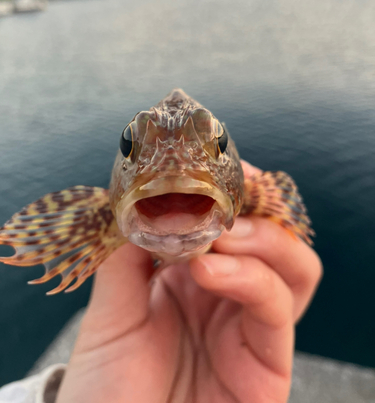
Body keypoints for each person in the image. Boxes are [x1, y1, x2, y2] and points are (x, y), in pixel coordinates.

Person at [0, 162, 322, 403]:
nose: (175, 171)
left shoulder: (255, 196)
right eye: (131, 145)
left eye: (217, 145)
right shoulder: (104, 218)